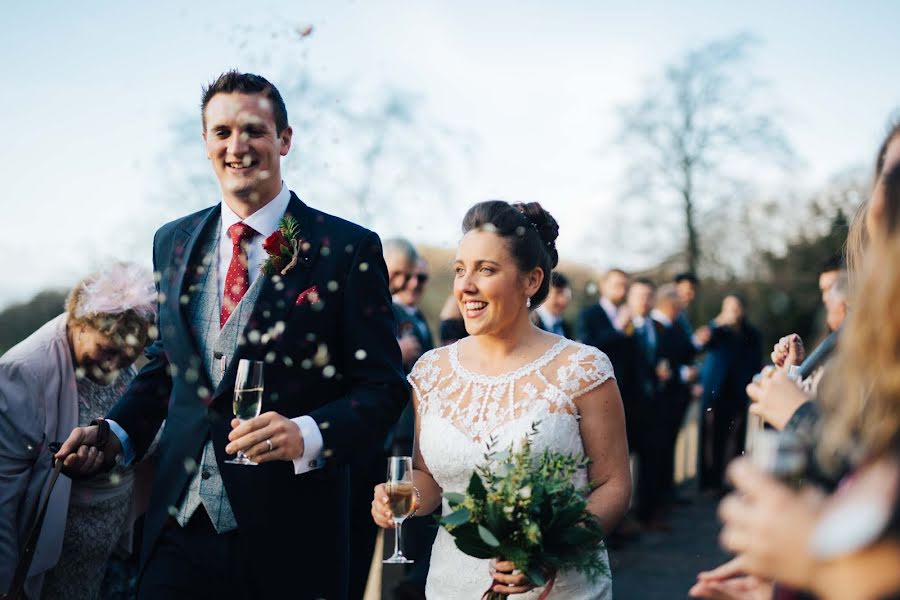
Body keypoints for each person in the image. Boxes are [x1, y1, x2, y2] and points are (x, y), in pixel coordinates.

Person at [55, 71, 407, 600]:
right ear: (205, 143)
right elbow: (167, 365)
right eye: (221, 132)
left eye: (254, 131)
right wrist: (116, 433)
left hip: (293, 535)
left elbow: (382, 388)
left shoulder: (346, 248)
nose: (237, 147)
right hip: (178, 525)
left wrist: (307, 433)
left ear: (285, 140)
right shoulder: (171, 242)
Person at [371, 200, 631, 598]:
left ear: (531, 281)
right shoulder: (431, 371)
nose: (465, 286)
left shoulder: (582, 369)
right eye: (460, 270)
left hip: (557, 587)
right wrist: (402, 498)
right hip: (452, 584)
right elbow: (431, 480)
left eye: (486, 270)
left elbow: (613, 485)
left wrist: (550, 548)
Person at [0, 263, 156, 600]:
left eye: (128, 356)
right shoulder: (23, 372)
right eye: (107, 350)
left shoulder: (124, 362)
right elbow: (3, 495)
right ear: (79, 322)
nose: (115, 366)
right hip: (54, 565)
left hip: (114, 555)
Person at [697, 294, 762, 493]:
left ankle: (732, 480)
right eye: (729, 307)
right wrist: (718, 321)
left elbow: (757, 361)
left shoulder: (752, 334)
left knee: (735, 439)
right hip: (716, 392)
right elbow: (699, 343)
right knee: (712, 438)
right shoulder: (716, 330)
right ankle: (710, 482)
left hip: (739, 391)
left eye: (736, 307)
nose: (733, 311)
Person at [533, 271, 574, 338]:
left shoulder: (566, 327)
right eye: (558, 293)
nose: (563, 300)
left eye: (566, 295)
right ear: (544, 293)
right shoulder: (531, 322)